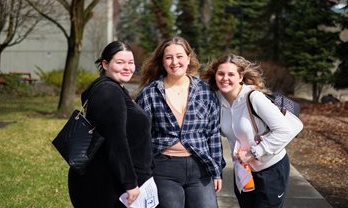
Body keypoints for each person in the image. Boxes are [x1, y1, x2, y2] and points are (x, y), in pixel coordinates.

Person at [135, 36, 224, 208]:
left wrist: (217, 171)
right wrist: (141, 174)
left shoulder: (205, 92)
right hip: (164, 169)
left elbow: (213, 133)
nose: (174, 62)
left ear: (189, 58)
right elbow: (141, 137)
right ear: (162, 62)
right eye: (168, 57)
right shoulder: (150, 93)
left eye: (179, 56)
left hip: (200, 167)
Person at [68, 41, 153, 208]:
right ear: (105, 64)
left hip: (111, 180)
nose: (127, 67)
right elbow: (116, 141)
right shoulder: (109, 92)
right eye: (120, 62)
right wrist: (130, 182)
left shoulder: (114, 89)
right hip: (108, 185)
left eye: (130, 62)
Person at [202, 54, 293, 208]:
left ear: (240, 77)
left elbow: (285, 130)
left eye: (231, 74)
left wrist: (253, 153)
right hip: (243, 171)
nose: (225, 78)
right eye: (221, 73)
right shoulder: (216, 101)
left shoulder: (253, 98)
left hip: (270, 169)